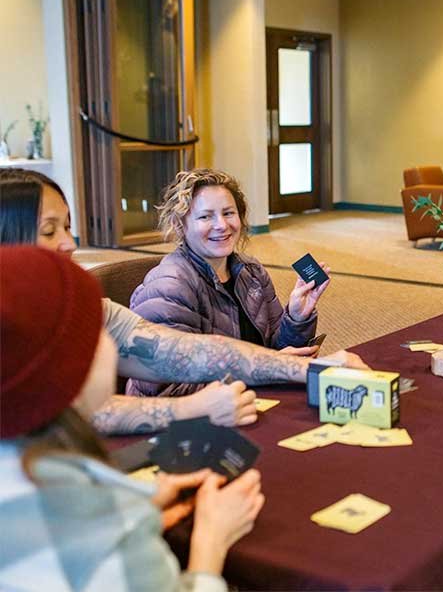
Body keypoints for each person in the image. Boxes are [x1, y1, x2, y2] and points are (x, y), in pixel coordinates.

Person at [0, 169, 367, 435]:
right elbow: (81, 415)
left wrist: (311, 364)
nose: (69, 243)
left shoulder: (81, 306)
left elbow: (189, 352)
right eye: (50, 231)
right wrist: (193, 407)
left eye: (67, 226)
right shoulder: (169, 282)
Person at [0, 245, 265, 590]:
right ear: (69, 373)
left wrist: (141, 503)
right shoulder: (107, 526)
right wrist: (211, 540)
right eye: (96, 332)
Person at [128, 168, 328, 397]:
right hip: (185, 423)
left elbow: (276, 351)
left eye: (228, 213)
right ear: (181, 225)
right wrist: (266, 371)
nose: (222, 225)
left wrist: (296, 318)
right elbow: (167, 390)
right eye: (205, 216)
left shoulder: (250, 271)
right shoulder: (169, 287)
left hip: (246, 400)